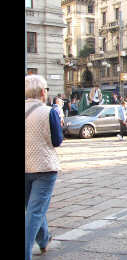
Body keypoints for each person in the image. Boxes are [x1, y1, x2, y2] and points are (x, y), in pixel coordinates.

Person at [25, 75, 63, 260]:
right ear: (42, 92)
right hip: (44, 167)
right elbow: (57, 141)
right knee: (35, 211)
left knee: (33, 208)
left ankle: (44, 240)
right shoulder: (49, 112)